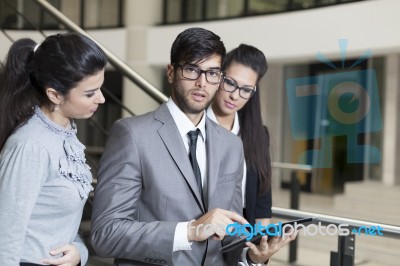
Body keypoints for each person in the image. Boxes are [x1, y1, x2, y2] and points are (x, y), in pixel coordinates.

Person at [91, 27, 290, 266]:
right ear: (171, 72)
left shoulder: (231, 145)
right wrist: (190, 230)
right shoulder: (132, 134)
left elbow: (230, 233)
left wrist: (253, 257)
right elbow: (106, 234)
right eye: (191, 69)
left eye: (212, 73)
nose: (201, 82)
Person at [0, 32, 107, 266]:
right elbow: (4, 238)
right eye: (90, 93)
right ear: (55, 94)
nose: (101, 99)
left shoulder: (66, 133)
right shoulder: (31, 145)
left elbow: (62, 223)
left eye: (100, 88)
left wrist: (80, 252)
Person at [207, 44, 272, 226]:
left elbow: (262, 201)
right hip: (200, 231)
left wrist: (259, 247)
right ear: (219, 77)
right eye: (230, 83)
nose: (235, 96)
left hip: (242, 232)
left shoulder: (258, 135)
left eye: (246, 90)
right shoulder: (193, 127)